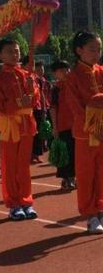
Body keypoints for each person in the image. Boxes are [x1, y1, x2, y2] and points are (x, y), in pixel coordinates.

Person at [0, 38, 39, 221]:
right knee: (10, 166)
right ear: (0, 55)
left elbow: (35, 99)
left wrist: (31, 88)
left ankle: (26, 201)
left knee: (23, 167)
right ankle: (13, 204)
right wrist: (18, 102)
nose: (14, 54)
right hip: (11, 125)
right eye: (9, 51)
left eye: (17, 51)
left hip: (27, 124)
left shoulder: (27, 75)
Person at [66, 31, 103, 234]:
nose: (96, 53)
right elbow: (76, 108)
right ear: (79, 50)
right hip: (86, 134)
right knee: (88, 174)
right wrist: (94, 129)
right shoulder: (73, 77)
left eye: (99, 49)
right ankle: (91, 215)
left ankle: (102, 208)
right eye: (92, 49)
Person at [50, 61, 75, 190]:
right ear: (55, 74)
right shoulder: (56, 89)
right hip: (63, 125)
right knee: (66, 153)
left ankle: (73, 178)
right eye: (61, 71)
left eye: (66, 69)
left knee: (76, 152)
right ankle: (66, 178)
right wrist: (55, 127)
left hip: (77, 125)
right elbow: (53, 108)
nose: (65, 73)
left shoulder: (75, 85)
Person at [32, 61, 52, 163]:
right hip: (36, 108)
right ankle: (35, 154)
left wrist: (45, 108)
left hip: (45, 107)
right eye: (38, 69)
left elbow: (46, 96)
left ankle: (40, 151)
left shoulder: (46, 82)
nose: (40, 71)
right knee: (36, 133)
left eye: (42, 69)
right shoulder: (33, 81)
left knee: (43, 131)